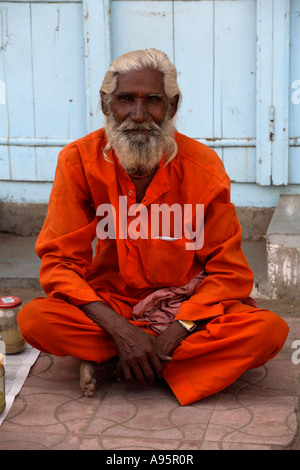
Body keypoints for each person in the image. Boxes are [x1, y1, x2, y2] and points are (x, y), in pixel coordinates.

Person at [18, 49, 289, 406]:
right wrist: (119, 329)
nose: (139, 115)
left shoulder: (202, 167)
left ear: (172, 107)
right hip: (110, 306)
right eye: (125, 100)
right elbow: (59, 264)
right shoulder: (78, 161)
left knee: (267, 331)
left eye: (153, 101)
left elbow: (228, 273)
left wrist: (172, 334)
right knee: (36, 319)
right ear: (105, 104)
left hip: (183, 310)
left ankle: (119, 362)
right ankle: (167, 365)